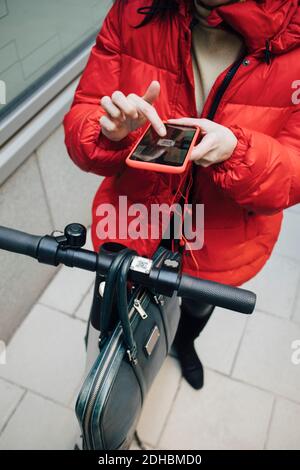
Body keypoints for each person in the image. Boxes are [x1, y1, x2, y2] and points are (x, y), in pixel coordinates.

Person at [64, 0, 300, 390]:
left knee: (196, 305)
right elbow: (84, 114)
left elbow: (293, 170)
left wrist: (239, 153)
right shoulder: (134, 10)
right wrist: (107, 131)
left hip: (221, 239)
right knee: (112, 319)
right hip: (133, 220)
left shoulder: (291, 35)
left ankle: (184, 345)